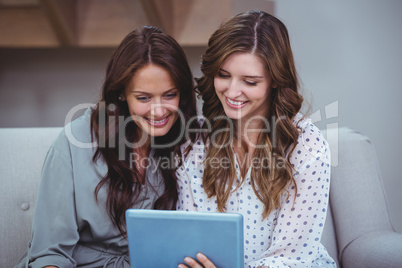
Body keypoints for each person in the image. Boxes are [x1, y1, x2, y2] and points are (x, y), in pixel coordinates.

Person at [14, 26, 198, 268]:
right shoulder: (76, 140)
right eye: (143, 98)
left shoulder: (189, 144)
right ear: (122, 94)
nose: (160, 111)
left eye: (169, 95)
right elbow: (50, 253)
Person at [176, 11, 336, 268]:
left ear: (275, 80)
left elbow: (292, 256)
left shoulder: (306, 145)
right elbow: (189, 235)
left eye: (250, 81)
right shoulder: (195, 143)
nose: (232, 92)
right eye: (223, 75)